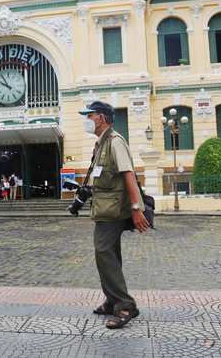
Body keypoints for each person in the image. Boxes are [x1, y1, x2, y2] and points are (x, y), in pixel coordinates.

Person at [78, 100, 149, 329]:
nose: (86, 120)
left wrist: (136, 209)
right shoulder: (101, 143)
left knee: (103, 251)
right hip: (105, 207)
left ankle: (124, 305)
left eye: (89, 116)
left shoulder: (115, 141)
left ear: (100, 117)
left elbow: (128, 174)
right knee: (108, 253)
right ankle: (111, 300)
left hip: (116, 209)